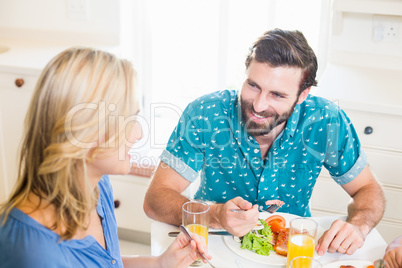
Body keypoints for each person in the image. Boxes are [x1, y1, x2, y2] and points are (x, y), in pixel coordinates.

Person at [143, 28, 385, 256]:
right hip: (211, 246)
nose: (258, 105)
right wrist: (215, 215)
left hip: (290, 250)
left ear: (303, 95)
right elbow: (156, 199)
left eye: (277, 95)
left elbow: (368, 189)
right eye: (253, 85)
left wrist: (358, 226)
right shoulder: (205, 113)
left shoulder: (326, 121)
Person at [0, 47, 210, 267]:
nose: (139, 134)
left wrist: (161, 263)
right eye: (129, 119)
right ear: (86, 130)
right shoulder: (29, 252)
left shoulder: (98, 186)